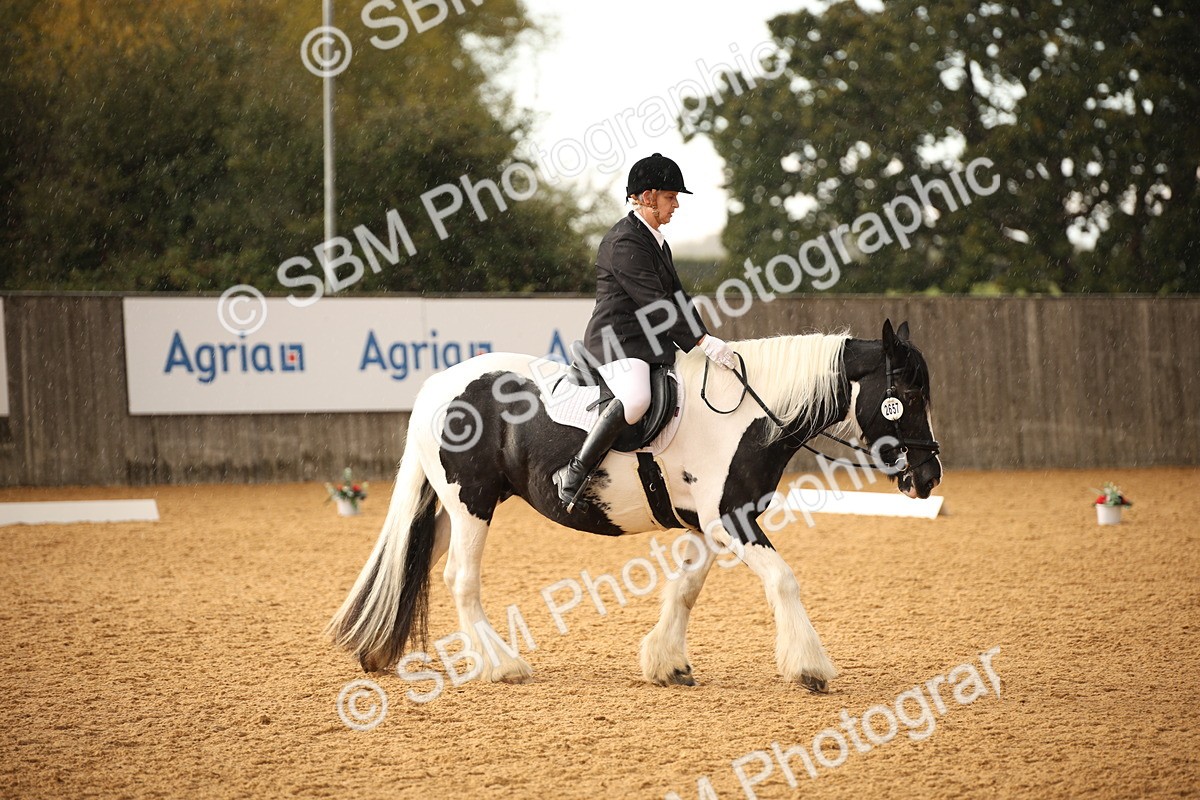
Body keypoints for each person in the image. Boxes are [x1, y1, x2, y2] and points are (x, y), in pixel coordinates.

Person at [553, 153, 737, 511]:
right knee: (636, 400)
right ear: (648, 197)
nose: (676, 204)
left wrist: (705, 339)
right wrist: (699, 340)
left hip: (648, 344)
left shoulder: (656, 241)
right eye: (670, 197)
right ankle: (574, 472)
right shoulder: (624, 241)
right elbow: (655, 303)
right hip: (618, 343)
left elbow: (678, 298)